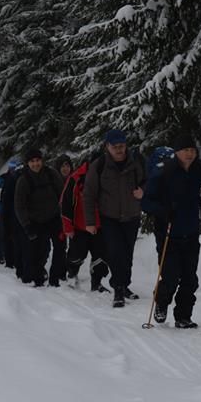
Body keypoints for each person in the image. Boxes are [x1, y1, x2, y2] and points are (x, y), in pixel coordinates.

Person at [141, 135, 201, 329]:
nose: (189, 154)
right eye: (185, 150)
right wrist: (164, 211)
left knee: (190, 278)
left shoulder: (198, 168)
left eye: (192, 150)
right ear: (177, 152)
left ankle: (183, 316)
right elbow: (146, 202)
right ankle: (161, 303)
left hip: (190, 230)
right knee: (171, 276)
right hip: (168, 232)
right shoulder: (164, 172)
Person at [83, 129, 146, 308]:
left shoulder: (137, 161)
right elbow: (88, 194)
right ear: (107, 147)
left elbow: (148, 181)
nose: (119, 150)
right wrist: (89, 222)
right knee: (115, 252)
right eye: (115, 147)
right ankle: (118, 289)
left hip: (132, 215)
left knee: (127, 254)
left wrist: (143, 191)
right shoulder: (99, 165)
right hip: (109, 217)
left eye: (122, 146)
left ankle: (124, 285)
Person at [14, 149, 66, 286]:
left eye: (38, 160)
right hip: (35, 221)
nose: (36, 164)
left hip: (54, 218)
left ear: (42, 161)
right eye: (32, 161)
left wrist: (64, 214)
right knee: (40, 251)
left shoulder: (51, 174)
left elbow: (62, 194)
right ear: (28, 163)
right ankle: (37, 277)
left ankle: (55, 278)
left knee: (60, 247)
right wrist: (26, 225)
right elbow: (19, 205)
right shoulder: (23, 180)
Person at [60, 156, 111, 293]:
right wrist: (68, 227)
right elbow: (65, 204)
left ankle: (97, 283)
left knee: (100, 257)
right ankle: (71, 274)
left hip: (101, 226)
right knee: (77, 255)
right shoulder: (76, 178)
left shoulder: (108, 176)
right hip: (79, 226)